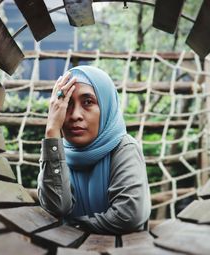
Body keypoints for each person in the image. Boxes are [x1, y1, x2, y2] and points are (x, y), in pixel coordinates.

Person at [37, 65, 151, 234]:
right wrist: (52, 131)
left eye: (88, 102)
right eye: (67, 104)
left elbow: (128, 217)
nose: (75, 115)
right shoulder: (57, 152)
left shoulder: (124, 148)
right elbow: (56, 207)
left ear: (106, 107)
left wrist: (73, 227)